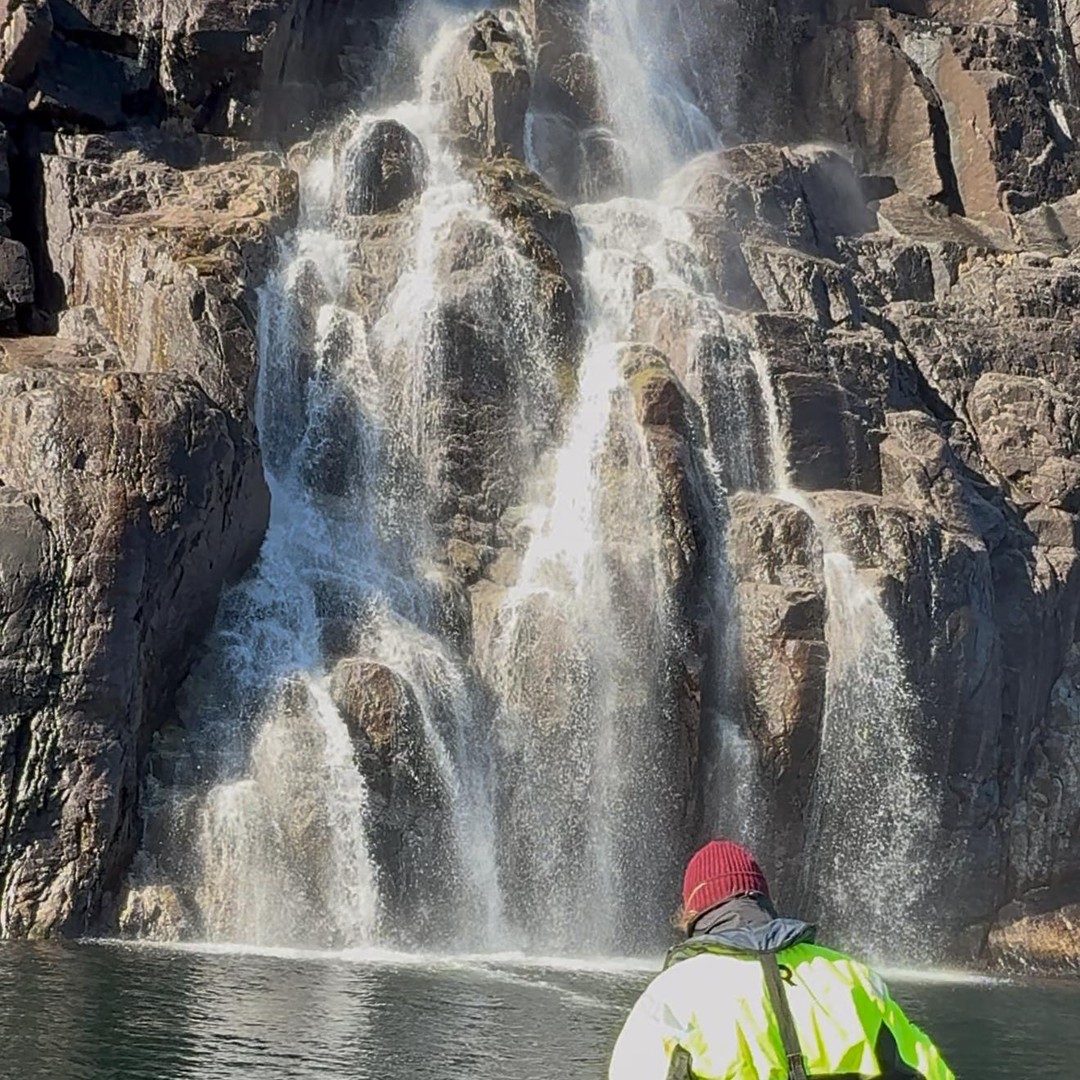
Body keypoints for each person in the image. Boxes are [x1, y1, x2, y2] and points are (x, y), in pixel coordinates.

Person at [608, 840, 955, 1080]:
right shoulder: (852, 977)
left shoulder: (673, 994)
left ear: (692, 914)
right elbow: (930, 1072)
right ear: (764, 901)